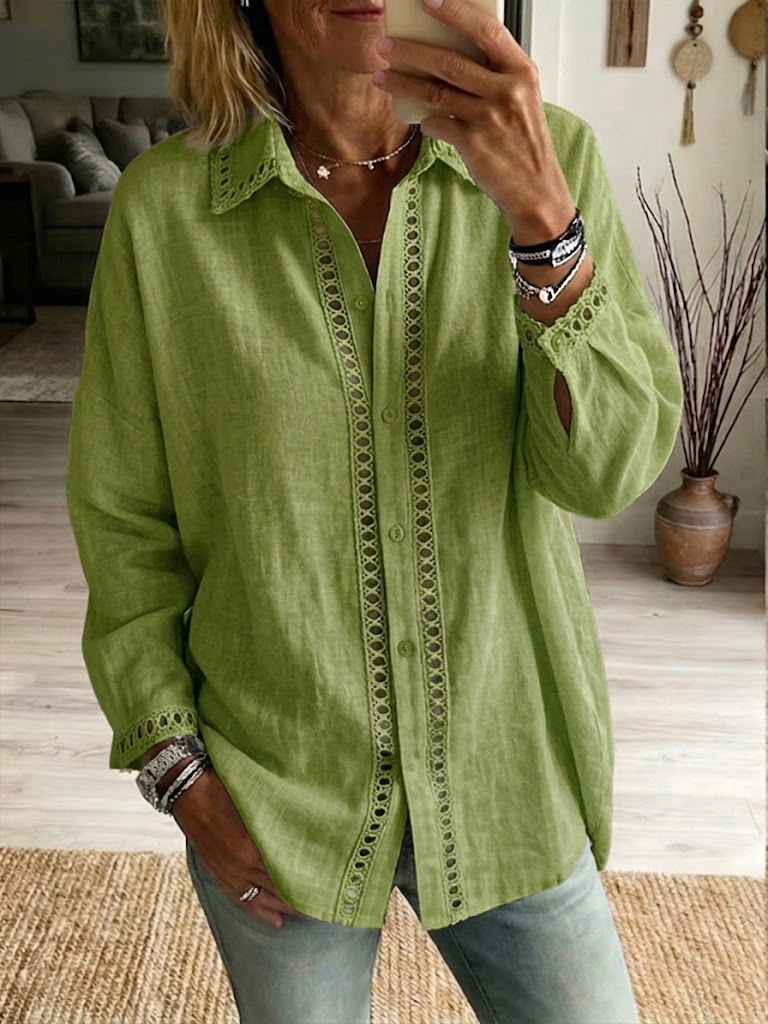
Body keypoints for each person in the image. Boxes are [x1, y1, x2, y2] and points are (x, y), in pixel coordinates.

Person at [65, 0, 683, 1021]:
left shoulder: (551, 155)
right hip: (278, 786)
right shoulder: (165, 211)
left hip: (507, 766)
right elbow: (124, 517)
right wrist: (178, 771)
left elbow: (603, 474)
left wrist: (543, 227)